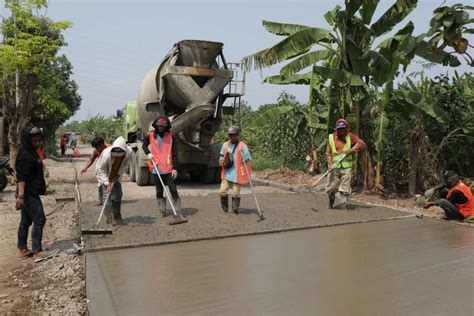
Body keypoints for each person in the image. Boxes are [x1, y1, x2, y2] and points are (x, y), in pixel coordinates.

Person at [15, 126, 47, 260]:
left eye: (39, 140)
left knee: (26, 220)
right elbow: (21, 177)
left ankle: (22, 249)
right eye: (35, 141)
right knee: (40, 219)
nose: (38, 143)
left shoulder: (31, 151)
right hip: (28, 194)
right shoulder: (26, 155)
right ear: (28, 140)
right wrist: (20, 196)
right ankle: (37, 251)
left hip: (29, 192)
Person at [142, 117, 183, 219]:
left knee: (173, 190)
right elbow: (144, 146)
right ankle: (162, 210)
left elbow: (175, 154)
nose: (160, 128)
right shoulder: (151, 136)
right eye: (159, 126)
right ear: (156, 125)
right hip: (156, 168)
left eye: (162, 126)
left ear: (166, 127)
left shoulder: (171, 136)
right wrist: (148, 153)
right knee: (159, 191)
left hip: (169, 168)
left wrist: (175, 168)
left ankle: (178, 212)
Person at [326, 118, 366, 209]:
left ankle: (343, 205)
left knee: (345, 188)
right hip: (335, 167)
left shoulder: (350, 136)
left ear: (346, 129)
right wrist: (330, 164)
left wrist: (352, 150)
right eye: (339, 129)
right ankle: (331, 201)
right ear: (336, 129)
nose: (341, 131)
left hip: (346, 168)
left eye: (343, 129)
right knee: (331, 188)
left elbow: (362, 144)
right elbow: (328, 153)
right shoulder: (331, 138)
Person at [96, 136, 132, 225]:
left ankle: (117, 217)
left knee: (118, 194)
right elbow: (101, 169)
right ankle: (109, 218)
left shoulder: (129, 152)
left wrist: (118, 174)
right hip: (104, 173)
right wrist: (106, 182)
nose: (117, 158)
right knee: (107, 195)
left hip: (117, 173)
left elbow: (126, 164)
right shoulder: (106, 154)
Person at [219, 125, 251, 214]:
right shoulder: (225, 145)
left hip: (237, 174)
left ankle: (235, 208)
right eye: (230, 135)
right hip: (227, 173)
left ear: (237, 135)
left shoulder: (242, 146)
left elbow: (247, 158)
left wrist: (244, 159)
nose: (232, 137)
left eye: (234, 135)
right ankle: (225, 207)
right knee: (222, 191)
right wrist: (221, 160)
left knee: (236, 193)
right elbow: (221, 155)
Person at [81, 137, 111, 204]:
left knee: (108, 184)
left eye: (97, 147)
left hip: (110, 170)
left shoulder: (110, 149)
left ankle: (109, 201)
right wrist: (85, 167)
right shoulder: (96, 150)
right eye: (95, 148)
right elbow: (91, 159)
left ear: (102, 145)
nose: (96, 149)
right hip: (102, 170)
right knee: (101, 184)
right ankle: (101, 200)